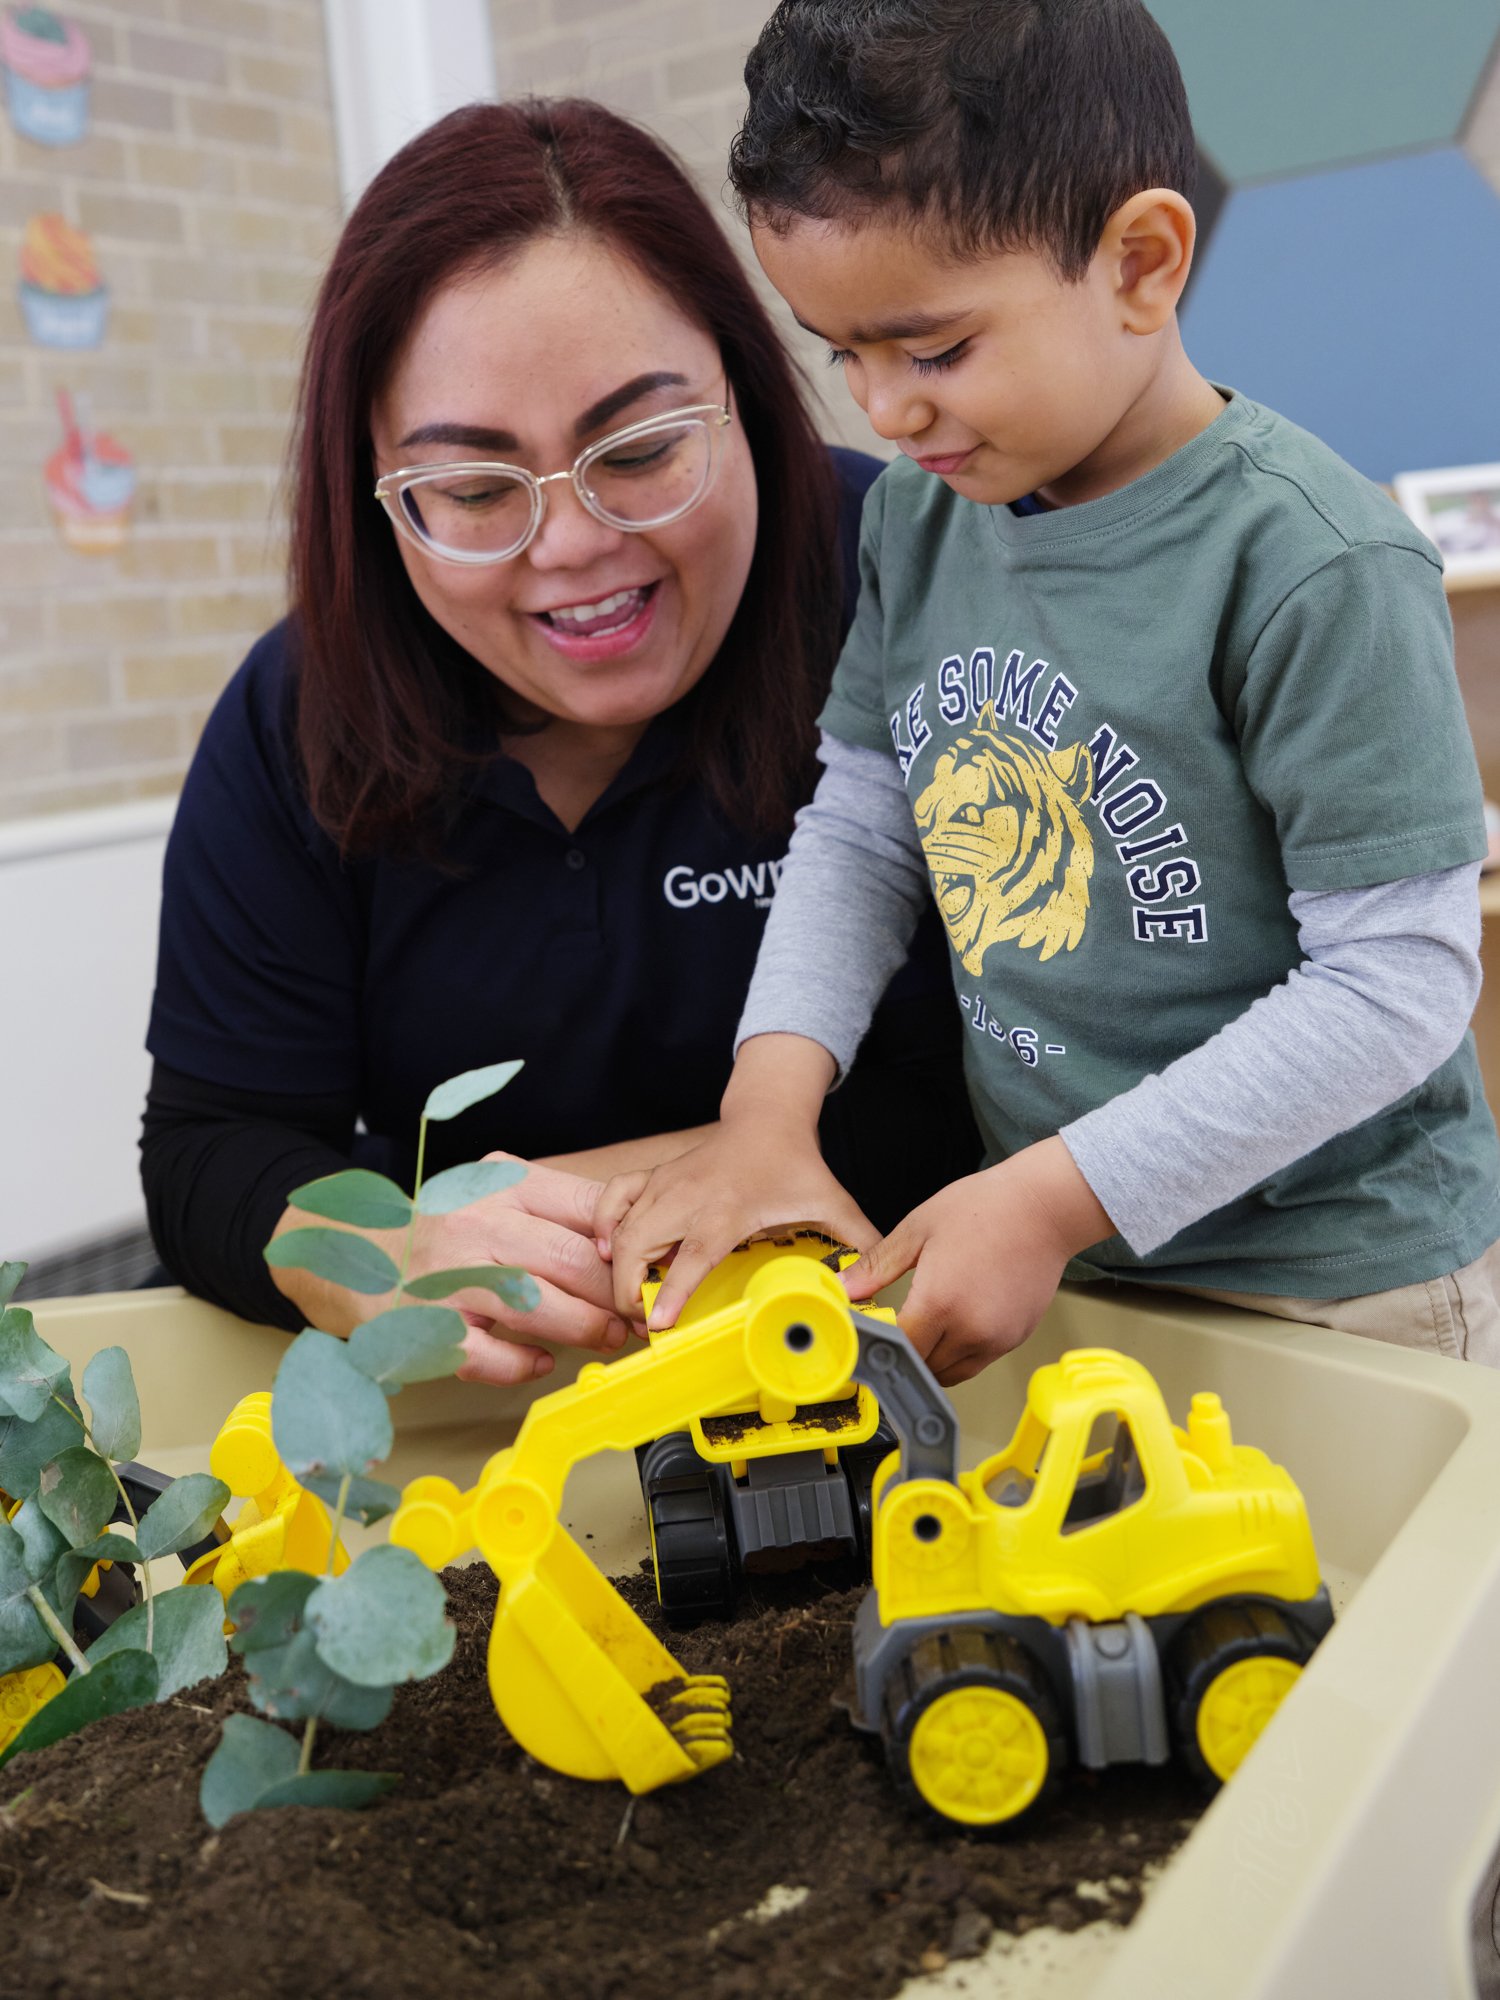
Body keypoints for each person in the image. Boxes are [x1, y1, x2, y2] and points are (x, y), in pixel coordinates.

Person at [601, 0, 1500, 1381]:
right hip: (1077, 1264)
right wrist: (767, 1112)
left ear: (1140, 264)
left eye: (935, 349)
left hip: (1342, 1289)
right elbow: (862, 825)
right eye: (843, 352)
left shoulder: (1314, 563)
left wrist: (1051, 1194)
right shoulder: (917, 521)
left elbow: (1397, 983)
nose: (882, 412)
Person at [140, 98, 979, 1386]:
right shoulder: (299, 712)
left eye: (637, 451)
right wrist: (376, 1251)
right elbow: (213, 1150)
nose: (572, 547)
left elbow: (995, 1094)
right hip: (471, 1421)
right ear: (375, 493)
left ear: (745, 398)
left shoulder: (925, 591)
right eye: (475, 491)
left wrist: (480, 1220)